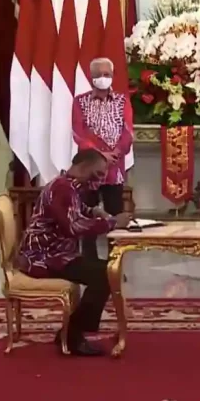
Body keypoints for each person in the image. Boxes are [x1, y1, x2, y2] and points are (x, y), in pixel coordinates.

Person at [13, 149, 133, 357]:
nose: (100, 180)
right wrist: (113, 222)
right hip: (44, 257)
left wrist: (95, 212)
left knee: (108, 270)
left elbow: (76, 210)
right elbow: (74, 226)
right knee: (106, 274)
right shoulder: (62, 188)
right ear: (84, 167)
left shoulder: (67, 185)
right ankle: (71, 335)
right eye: (98, 173)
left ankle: (72, 332)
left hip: (56, 253)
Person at [72, 57, 134, 261]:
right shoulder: (80, 101)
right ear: (91, 77)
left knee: (115, 218)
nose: (102, 78)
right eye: (98, 74)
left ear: (113, 76)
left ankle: (114, 263)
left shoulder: (122, 101)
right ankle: (89, 262)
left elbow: (127, 132)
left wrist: (115, 152)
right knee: (88, 215)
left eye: (106, 74)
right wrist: (99, 155)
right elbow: (79, 133)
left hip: (114, 171)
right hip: (89, 169)